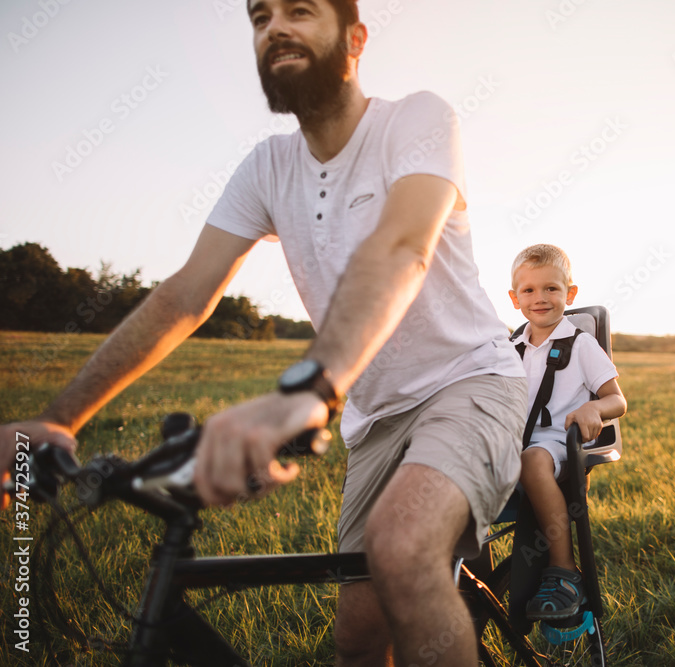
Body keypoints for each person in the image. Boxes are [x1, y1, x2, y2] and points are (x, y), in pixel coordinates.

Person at [0, 1, 529, 664]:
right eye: (259, 17)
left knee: (402, 546)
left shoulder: (417, 119)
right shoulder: (267, 167)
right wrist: (59, 417)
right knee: (359, 637)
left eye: (300, 10)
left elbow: (401, 245)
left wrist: (307, 388)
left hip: (470, 381)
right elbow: (184, 296)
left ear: (356, 38)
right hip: (374, 417)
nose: (274, 26)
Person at [507, 244, 626, 620]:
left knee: (532, 459)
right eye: (528, 290)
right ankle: (467, 573)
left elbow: (616, 400)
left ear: (570, 294)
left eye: (551, 289)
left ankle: (563, 571)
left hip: (556, 443)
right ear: (514, 299)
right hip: (510, 443)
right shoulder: (510, 346)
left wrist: (594, 406)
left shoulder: (581, 344)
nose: (539, 298)